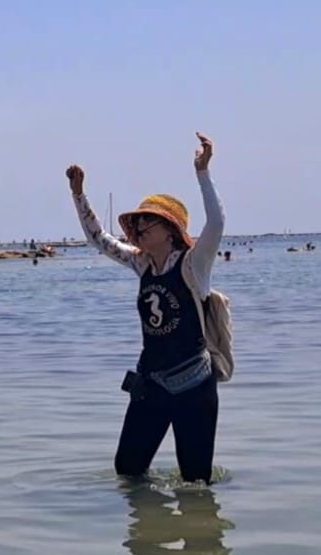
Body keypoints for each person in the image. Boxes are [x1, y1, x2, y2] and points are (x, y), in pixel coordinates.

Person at [67, 132, 225, 484]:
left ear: (169, 230)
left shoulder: (192, 265)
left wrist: (202, 173)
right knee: (128, 472)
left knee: (195, 483)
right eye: (135, 224)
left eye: (144, 223)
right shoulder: (142, 264)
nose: (136, 229)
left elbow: (215, 224)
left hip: (194, 388)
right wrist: (79, 196)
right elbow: (99, 240)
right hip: (151, 385)